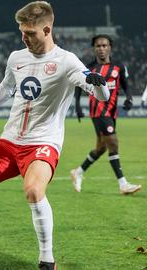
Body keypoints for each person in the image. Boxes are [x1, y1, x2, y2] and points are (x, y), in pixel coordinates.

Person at [0, 2, 110, 269]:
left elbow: (98, 93)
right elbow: (6, 86)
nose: (24, 38)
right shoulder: (16, 57)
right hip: (10, 140)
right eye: (21, 32)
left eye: (30, 33)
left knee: (34, 191)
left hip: (42, 143)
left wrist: (98, 84)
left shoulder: (66, 60)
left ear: (47, 29)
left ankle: (47, 260)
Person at [70, 34, 141, 195]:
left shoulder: (119, 67)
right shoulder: (89, 68)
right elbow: (78, 86)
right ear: (94, 49)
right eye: (98, 46)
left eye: (104, 45)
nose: (101, 49)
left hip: (112, 111)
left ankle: (78, 171)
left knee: (101, 148)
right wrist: (77, 106)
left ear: (110, 47)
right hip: (98, 111)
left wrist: (129, 98)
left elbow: (125, 84)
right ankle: (123, 184)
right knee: (113, 143)